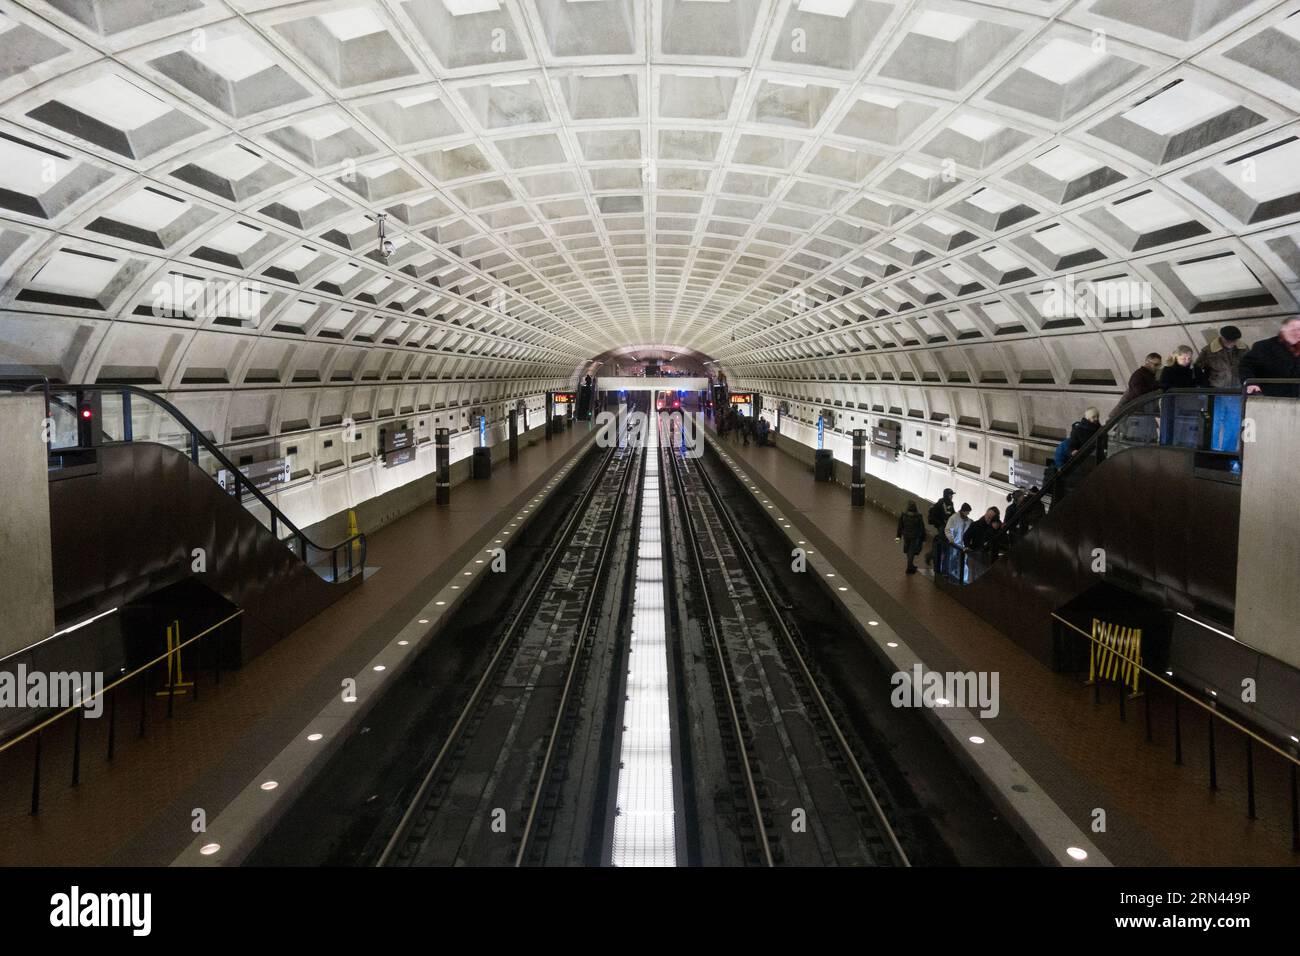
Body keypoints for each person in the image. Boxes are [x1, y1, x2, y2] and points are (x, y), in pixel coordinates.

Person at [1240, 316, 1300, 398]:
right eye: (1293, 330)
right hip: (1270, 398)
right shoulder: (1264, 346)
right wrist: (1251, 384)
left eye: (1299, 329)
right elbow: (1246, 366)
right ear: (1283, 330)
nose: (1297, 333)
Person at [926, 488, 955, 568]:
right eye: (950, 494)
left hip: (947, 527)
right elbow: (934, 515)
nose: (952, 496)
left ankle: (930, 556)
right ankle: (937, 563)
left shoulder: (950, 503)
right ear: (947, 495)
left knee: (943, 545)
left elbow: (952, 513)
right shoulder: (940, 503)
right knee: (943, 545)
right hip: (942, 527)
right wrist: (941, 523)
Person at [895, 502, 927, 575]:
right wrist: (924, 538)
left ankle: (910, 565)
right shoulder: (918, 516)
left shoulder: (904, 515)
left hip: (906, 536)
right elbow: (922, 528)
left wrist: (898, 537)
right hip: (914, 537)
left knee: (908, 550)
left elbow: (900, 527)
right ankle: (909, 568)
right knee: (912, 551)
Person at [943, 502, 973, 577]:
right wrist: (951, 540)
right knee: (951, 559)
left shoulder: (968, 521)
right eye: (967, 512)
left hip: (962, 545)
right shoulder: (954, 518)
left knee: (962, 561)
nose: (968, 514)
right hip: (954, 544)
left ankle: (959, 576)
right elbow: (948, 530)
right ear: (963, 511)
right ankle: (948, 573)